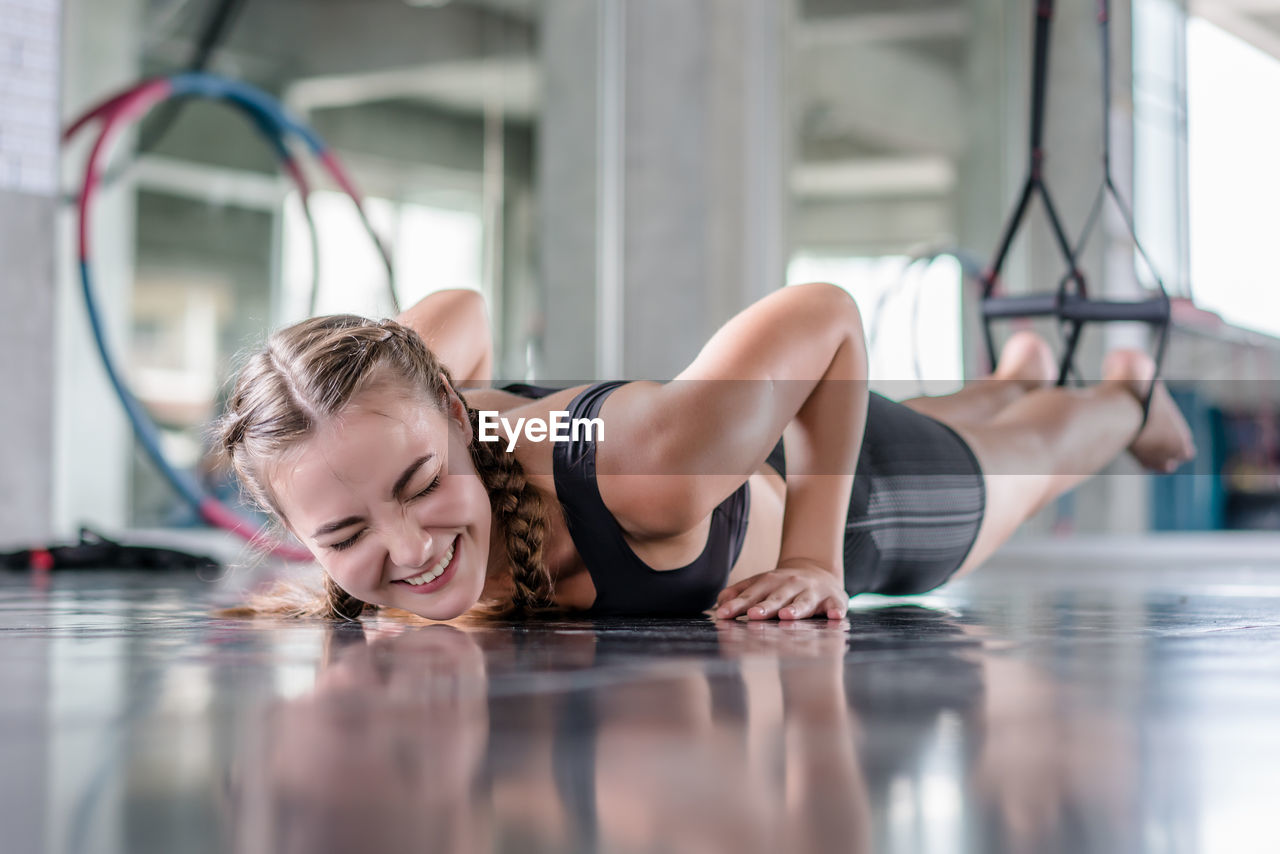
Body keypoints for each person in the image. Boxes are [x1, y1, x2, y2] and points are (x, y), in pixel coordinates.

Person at [215, 285, 1195, 621]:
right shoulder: (399, 400)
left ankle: (1119, 394)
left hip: (872, 501)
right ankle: (1010, 371)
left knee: (1036, 454)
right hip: (767, 440)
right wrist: (365, 418)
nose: (408, 543)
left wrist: (813, 557)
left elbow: (823, 317)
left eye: (420, 482)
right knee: (953, 411)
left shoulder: (640, 462)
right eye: (342, 528)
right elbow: (459, 309)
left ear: (444, 411)